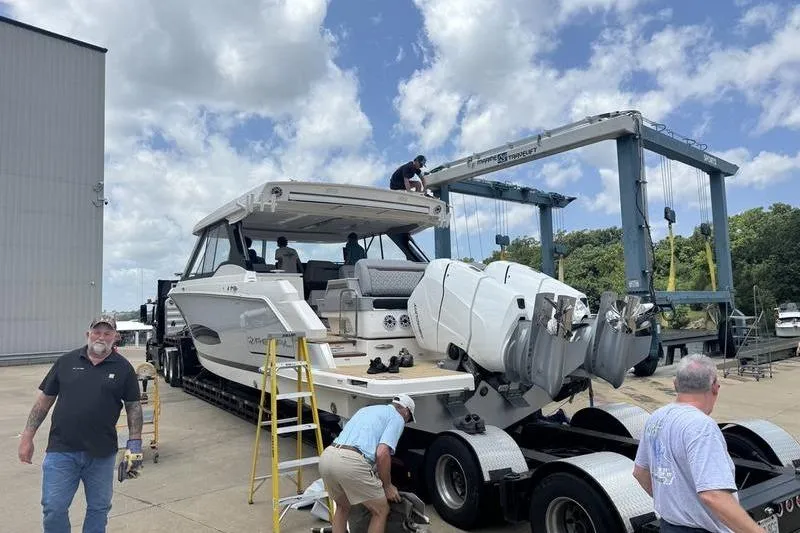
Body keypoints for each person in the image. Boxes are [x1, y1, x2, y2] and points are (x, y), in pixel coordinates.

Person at [18, 315, 144, 533]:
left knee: (99, 508)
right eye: (97, 332)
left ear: (116, 337)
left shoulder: (124, 369)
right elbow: (44, 402)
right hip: (62, 450)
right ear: (88, 334)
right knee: (53, 508)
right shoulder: (66, 362)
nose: (101, 337)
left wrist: (135, 444)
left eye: (107, 333)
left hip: (102, 454)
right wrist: (27, 437)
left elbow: (133, 406)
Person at [632, 354, 766, 533]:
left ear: (675, 384)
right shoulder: (701, 427)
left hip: (669, 526)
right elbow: (713, 495)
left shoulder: (656, 418)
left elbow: (640, 472)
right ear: (715, 387)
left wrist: (676, 505)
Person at [318, 394, 416, 533]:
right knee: (381, 510)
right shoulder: (398, 418)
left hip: (327, 456)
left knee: (342, 507)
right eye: (409, 419)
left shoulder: (366, 410)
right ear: (406, 411)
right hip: (350, 463)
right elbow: (382, 453)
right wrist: (387, 486)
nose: (406, 422)